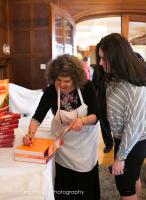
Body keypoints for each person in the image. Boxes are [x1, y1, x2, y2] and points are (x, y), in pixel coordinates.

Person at [23, 54, 100, 200]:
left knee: (84, 183)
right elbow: (37, 116)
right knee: (64, 182)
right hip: (62, 145)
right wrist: (31, 133)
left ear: (76, 78)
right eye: (58, 80)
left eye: (67, 81)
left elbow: (96, 115)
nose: (62, 85)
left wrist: (83, 121)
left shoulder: (87, 87)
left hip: (85, 144)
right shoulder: (51, 91)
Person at [96, 33, 146, 200]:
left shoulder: (137, 86)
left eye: (104, 59)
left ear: (118, 58)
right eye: (100, 58)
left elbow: (135, 126)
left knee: (124, 184)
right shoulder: (118, 72)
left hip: (139, 136)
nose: (101, 63)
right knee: (132, 176)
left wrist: (121, 158)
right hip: (125, 134)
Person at [92, 63, 113, 153]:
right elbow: (94, 87)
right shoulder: (98, 69)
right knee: (104, 124)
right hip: (102, 101)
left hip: (117, 102)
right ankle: (109, 144)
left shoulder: (120, 67)